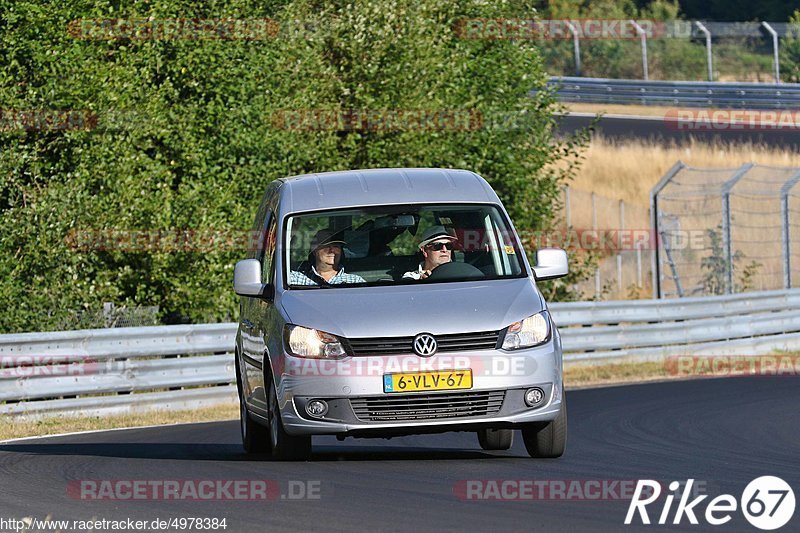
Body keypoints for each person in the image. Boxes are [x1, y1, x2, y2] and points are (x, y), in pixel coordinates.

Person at [290, 229, 366, 285]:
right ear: (314, 250)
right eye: (326, 246)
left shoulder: (355, 281)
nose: (332, 250)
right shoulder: (296, 279)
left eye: (336, 246)